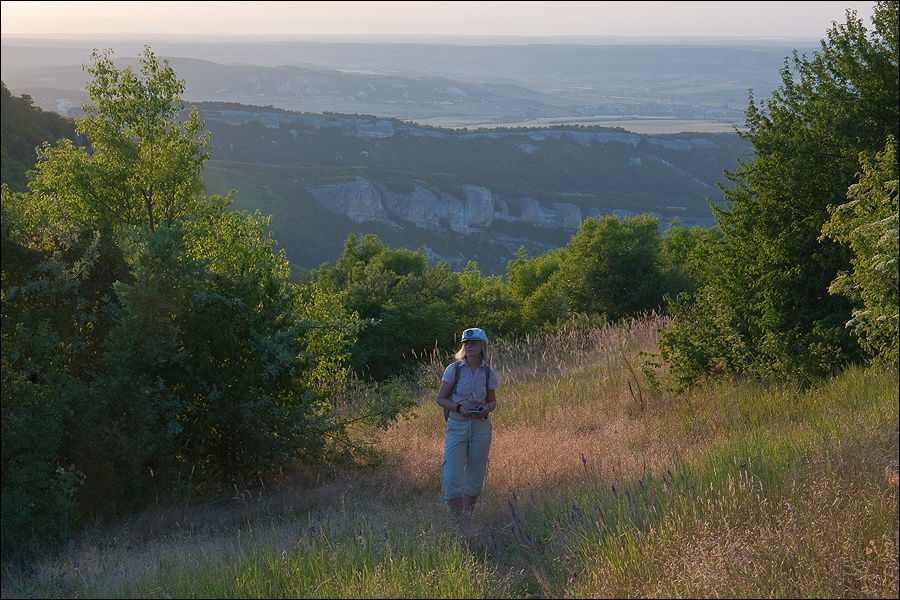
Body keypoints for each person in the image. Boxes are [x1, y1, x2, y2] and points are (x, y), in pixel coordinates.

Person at [436, 327, 499, 520]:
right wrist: (458, 407)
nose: (469, 346)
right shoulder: (453, 369)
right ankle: (457, 519)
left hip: (481, 428)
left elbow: (492, 401)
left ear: (482, 346)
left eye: (473, 343)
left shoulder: (488, 372)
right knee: (451, 476)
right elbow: (441, 399)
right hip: (457, 426)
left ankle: (466, 520)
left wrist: (487, 408)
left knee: (475, 475)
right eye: (466, 343)